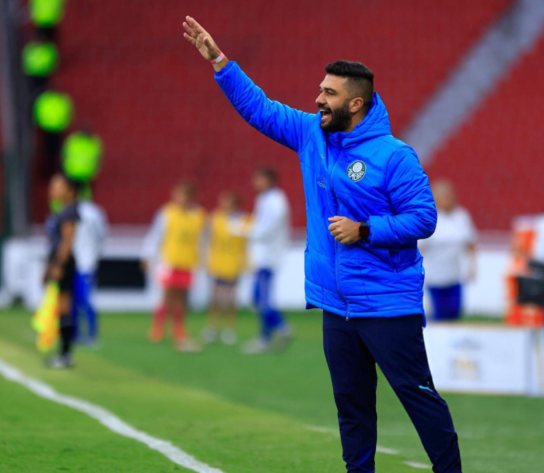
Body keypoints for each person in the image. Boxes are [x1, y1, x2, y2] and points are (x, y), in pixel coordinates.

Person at [183, 17, 461, 472]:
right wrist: (219, 61)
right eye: (319, 90)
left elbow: (424, 217)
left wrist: (365, 229)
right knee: (351, 410)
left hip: (387, 303)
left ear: (355, 102)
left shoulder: (394, 155)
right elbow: (261, 109)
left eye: (328, 93)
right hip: (337, 306)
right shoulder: (312, 134)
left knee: (418, 398)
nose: (318, 100)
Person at [142, 181, 205, 353]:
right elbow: (156, 235)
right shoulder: (167, 213)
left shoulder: (198, 215)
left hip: (188, 262)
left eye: (184, 196)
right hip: (169, 261)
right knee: (167, 296)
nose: (180, 199)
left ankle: (178, 329)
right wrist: (148, 255)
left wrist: (202, 260)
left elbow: (202, 239)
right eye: (178, 195)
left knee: (181, 298)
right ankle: (158, 327)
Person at [236, 167, 293, 354]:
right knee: (259, 298)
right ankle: (269, 335)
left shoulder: (276, 200)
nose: (255, 183)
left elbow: (267, 229)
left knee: (261, 298)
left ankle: (278, 330)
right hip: (262, 256)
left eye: (259, 179)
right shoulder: (264, 199)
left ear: (269, 180)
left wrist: (243, 231)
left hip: (269, 256)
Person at [419, 181, 477, 321]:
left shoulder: (461, 217)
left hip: (454, 276)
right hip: (435, 277)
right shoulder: (430, 218)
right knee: (439, 315)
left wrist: (472, 266)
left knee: (455, 312)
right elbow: (421, 248)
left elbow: (470, 244)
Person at [44, 173, 81, 368]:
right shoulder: (63, 211)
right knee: (61, 308)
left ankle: (65, 355)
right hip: (60, 263)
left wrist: (58, 265)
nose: (53, 190)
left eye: (57, 186)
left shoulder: (70, 212)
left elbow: (67, 241)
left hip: (65, 264)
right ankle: (63, 353)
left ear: (69, 191)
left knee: (65, 307)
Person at [202, 191, 249, 346]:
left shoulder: (243, 219)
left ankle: (229, 329)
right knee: (215, 298)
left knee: (230, 299)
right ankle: (212, 328)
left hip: (234, 263)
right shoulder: (215, 218)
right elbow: (208, 238)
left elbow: (246, 241)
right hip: (218, 262)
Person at [72, 190, 108, 346]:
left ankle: (90, 334)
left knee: (83, 299)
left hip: (85, 263)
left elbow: (101, 235)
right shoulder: (94, 212)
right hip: (79, 263)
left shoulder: (92, 213)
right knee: (75, 300)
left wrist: (95, 254)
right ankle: (76, 334)